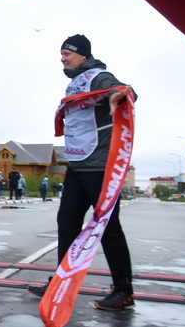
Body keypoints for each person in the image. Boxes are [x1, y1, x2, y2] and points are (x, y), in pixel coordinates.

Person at [28, 34, 137, 312]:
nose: (62, 58)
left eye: (67, 54)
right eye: (62, 54)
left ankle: (124, 291)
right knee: (67, 222)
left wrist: (118, 96)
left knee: (108, 227)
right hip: (77, 167)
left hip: (100, 167)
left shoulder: (99, 76)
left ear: (83, 55)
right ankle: (59, 285)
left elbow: (127, 91)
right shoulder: (75, 81)